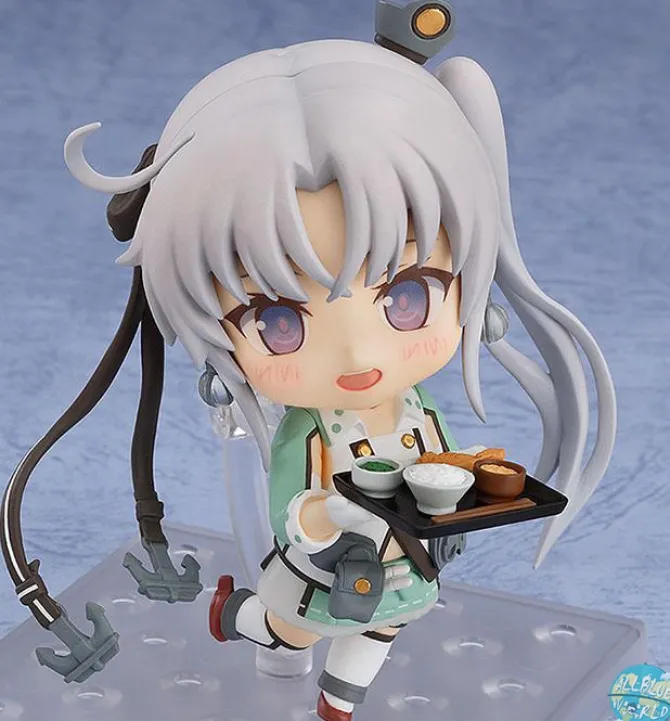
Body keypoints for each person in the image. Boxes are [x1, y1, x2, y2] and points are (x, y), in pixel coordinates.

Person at [1, 3, 616, 718]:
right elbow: (292, 511)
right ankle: (234, 615)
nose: (357, 353)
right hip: (323, 569)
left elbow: (440, 463)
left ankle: (336, 706)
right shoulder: (306, 432)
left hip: (405, 563)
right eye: (279, 322)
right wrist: (333, 511)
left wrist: (467, 485)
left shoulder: (419, 409)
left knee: (384, 625)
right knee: (288, 625)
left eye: (408, 298)